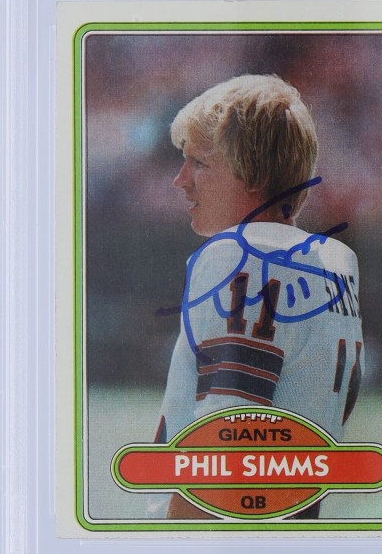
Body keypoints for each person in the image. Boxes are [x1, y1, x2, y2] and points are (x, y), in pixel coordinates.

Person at [156, 74, 364, 519]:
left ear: (252, 174)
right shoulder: (336, 262)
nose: (180, 180)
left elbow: (227, 445)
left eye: (199, 163)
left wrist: (172, 549)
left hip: (226, 541)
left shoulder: (242, 256)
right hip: (289, 530)